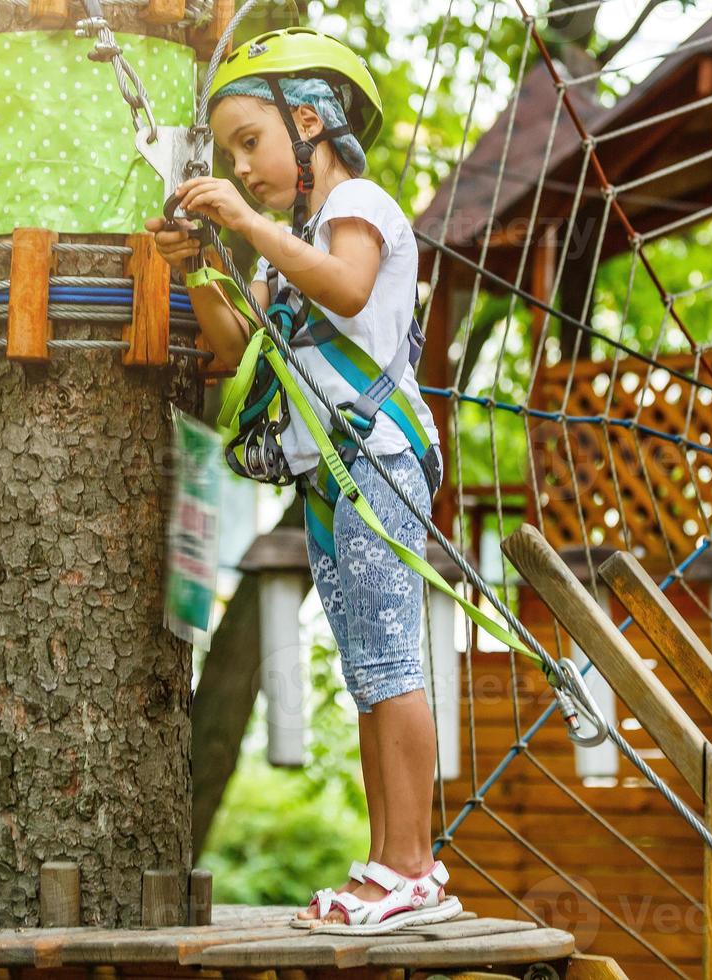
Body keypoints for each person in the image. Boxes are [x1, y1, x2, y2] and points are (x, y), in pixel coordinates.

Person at [145, 27, 461, 936]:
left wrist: (246, 230)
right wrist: (203, 268)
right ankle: (390, 861)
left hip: (379, 463)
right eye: (231, 154)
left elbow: (353, 290)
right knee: (370, 670)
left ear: (310, 121)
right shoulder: (293, 243)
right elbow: (241, 356)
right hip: (334, 476)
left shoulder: (356, 203)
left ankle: (410, 865)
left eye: (252, 140)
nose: (242, 168)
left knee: (392, 664)